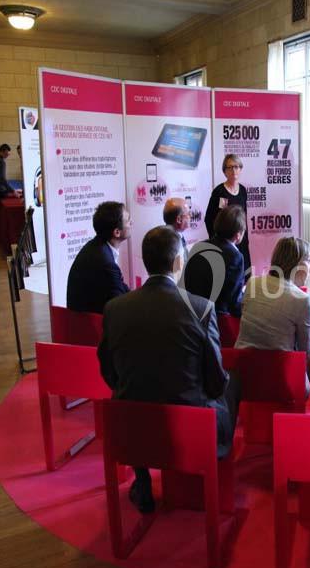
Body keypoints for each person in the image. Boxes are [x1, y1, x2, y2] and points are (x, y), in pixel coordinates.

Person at [98, 226, 238, 514]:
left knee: (135, 392)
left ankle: (142, 477)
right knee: (231, 383)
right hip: (188, 428)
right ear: (178, 263)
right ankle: (207, 477)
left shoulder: (115, 308)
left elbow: (109, 372)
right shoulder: (201, 308)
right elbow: (215, 381)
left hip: (131, 428)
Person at [235, 236, 310, 413]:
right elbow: (307, 354)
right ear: (298, 264)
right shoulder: (300, 300)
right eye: (309, 262)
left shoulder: (253, 283)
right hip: (280, 381)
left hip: (244, 375)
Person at [66, 201, 131, 314]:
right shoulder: (105, 263)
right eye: (128, 221)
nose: (132, 223)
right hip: (92, 325)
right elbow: (120, 305)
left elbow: (120, 287)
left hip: (81, 320)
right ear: (117, 232)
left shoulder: (96, 246)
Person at [185, 204, 245, 317]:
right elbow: (233, 302)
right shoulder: (235, 257)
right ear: (238, 235)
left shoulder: (198, 246)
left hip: (190, 316)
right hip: (216, 322)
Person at [205, 154, 251, 273]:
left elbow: (244, 217)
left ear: (240, 169)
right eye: (229, 167)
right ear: (225, 171)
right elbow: (209, 218)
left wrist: (244, 237)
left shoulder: (243, 191)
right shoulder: (219, 191)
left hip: (240, 240)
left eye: (236, 167)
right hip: (224, 242)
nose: (233, 170)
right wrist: (215, 239)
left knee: (243, 274)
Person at [163, 197, 191, 288]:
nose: (190, 217)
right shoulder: (169, 243)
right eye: (188, 214)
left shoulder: (176, 235)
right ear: (179, 219)